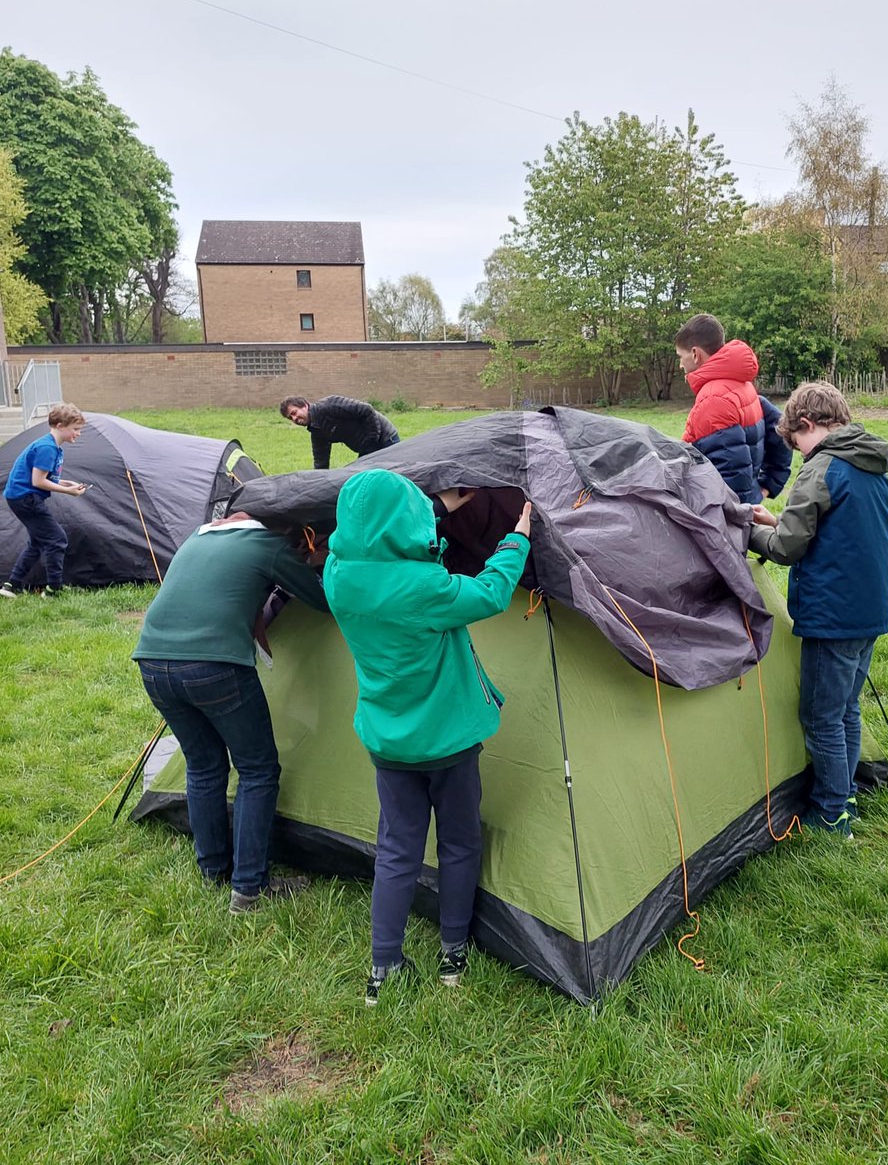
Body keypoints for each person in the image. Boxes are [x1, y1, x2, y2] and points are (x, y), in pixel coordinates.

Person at [323, 470, 531, 1003]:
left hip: (388, 741)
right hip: (448, 742)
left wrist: (436, 507)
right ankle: (453, 953)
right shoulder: (427, 588)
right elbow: (488, 593)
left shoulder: (338, 574)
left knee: (396, 850)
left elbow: (379, 538)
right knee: (459, 842)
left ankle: (383, 966)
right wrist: (518, 539)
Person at [132, 511, 330, 912]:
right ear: (294, 536)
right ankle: (248, 888)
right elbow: (323, 600)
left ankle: (213, 870)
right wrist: (317, 562)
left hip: (152, 662)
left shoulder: (198, 538)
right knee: (257, 769)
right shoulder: (270, 546)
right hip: (214, 666)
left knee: (203, 765)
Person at [748, 381, 888, 839]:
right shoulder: (869, 462)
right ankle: (845, 792)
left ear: (807, 425)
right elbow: (828, 527)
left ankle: (831, 814)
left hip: (832, 616)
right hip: (870, 609)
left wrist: (749, 535)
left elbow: (789, 549)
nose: (798, 454)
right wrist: (780, 520)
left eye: (796, 444)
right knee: (847, 709)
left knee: (821, 717)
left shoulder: (821, 467)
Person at [674, 313, 792, 504]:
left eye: (681, 356)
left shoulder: (714, 398)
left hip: (728, 522)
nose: (680, 364)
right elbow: (781, 429)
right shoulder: (743, 386)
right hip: (745, 511)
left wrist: (742, 513)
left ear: (695, 354)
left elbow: (731, 474)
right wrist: (767, 486)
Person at [1, 403, 88, 599]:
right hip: (25, 498)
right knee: (57, 540)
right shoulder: (47, 448)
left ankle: (11, 585)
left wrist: (67, 484)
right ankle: (53, 590)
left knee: (38, 542)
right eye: (75, 429)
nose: (78, 434)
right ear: (59, 425)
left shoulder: (54, 448)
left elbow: (48, 478)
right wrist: (69, 493)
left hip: (23, 497)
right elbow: (38, 481)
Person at [279, 395, 399, 469]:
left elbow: (366, 410)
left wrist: (372, 440)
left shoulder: (329, 405)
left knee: (396, 475)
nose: (294, 419)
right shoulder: (316, 431)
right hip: (367, 447)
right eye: (290, 418)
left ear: (305, 406)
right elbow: (321, 462)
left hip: (386, 438)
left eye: (294, 413)